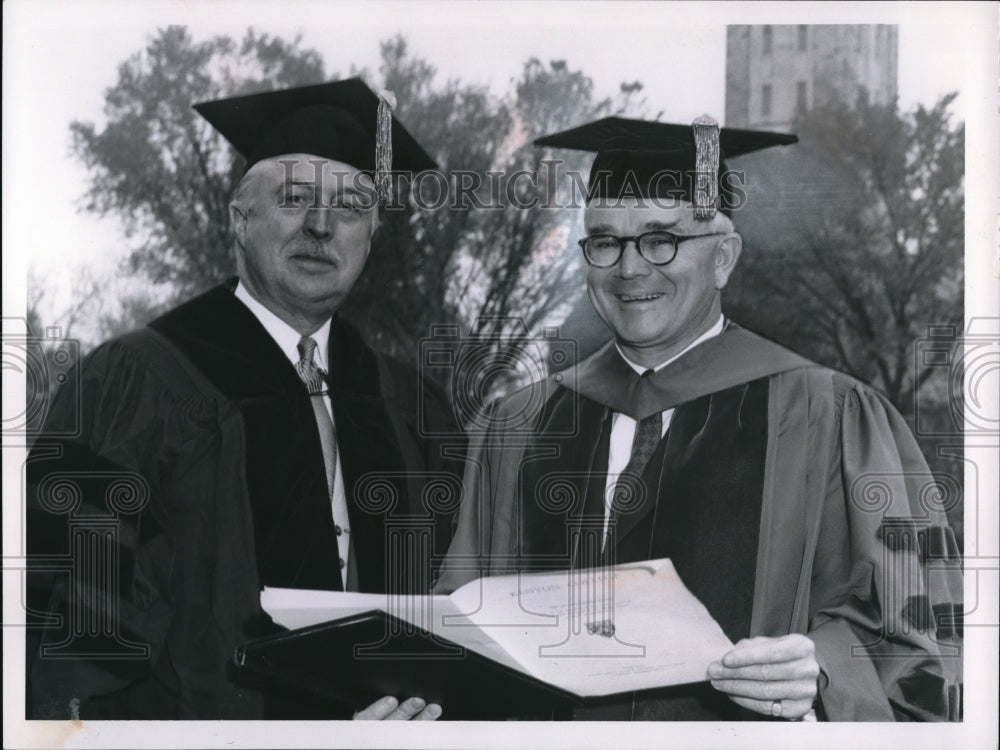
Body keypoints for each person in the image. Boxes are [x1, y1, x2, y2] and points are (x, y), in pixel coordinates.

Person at [436, 116, 963, 721]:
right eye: (605, 240)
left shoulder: (831, 417)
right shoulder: (519, 426)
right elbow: (461, 620)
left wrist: (820, 674)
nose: (630, 269)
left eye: (661, 239)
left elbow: (916, 642)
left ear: (723, 258)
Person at [26, 79, 463, 720]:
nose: (320, 225)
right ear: (239, 218)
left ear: (370, 235)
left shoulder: (413, 406)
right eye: (293, 199)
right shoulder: (134, 381)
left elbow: (448, 608)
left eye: (348, 207)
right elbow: (67, 619)